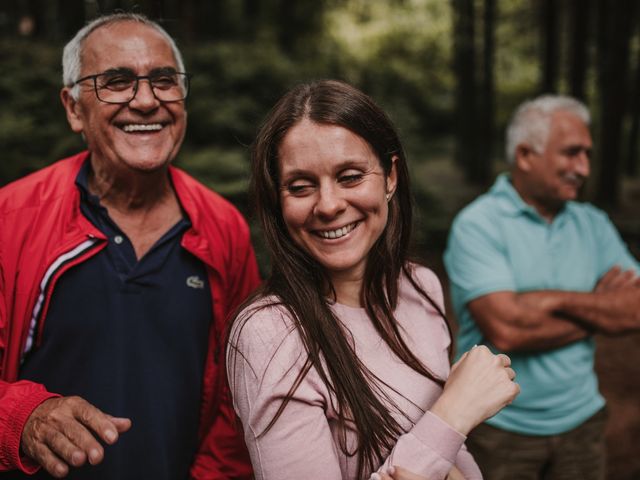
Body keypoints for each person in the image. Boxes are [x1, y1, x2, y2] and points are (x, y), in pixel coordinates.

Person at [0, 13, 259, 479]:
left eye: (164, 80)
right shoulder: (11, 219)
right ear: (74, 108)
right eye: (116, 82)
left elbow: (237, 401)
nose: (146, 101)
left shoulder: (224, 229)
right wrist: (24, 418)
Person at [226, 80, 519, 480]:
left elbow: (450, 455)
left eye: (349, 177)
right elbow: (444, 434)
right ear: (279, 201)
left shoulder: (421, 286)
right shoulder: (269, 335)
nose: (328, 205)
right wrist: (453, 413)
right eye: (300, 186)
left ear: (390, 177)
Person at [444, 94, 640, 479]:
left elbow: (635, 309)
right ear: (525, 155)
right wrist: (600, 309)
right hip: (498, 429)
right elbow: (509, 329)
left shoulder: (593, 224)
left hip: (582, 423)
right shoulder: (478, 225)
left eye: (587, 154)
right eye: (571, 153)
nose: (583, 168)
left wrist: (543, 301)